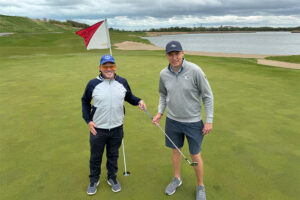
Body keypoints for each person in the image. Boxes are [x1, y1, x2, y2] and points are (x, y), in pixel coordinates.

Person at [152, 41, 214, 200]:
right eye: (171, 54)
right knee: (176, 151)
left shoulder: (195, 70)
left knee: (195, 155)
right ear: (166, 56)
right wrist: (160, 112)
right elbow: (163, 95)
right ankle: (177, 179)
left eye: (177, 54)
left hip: (193, 122)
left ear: (183, 53)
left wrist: (209, 120)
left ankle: (200, 185)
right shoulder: (163, 74)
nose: (174, 57)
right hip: (172, 121)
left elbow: (207, 96)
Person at [82, 55, 146, 195]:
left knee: (113, 155)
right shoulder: (93, 84)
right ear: (100, 68)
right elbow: (85, 101)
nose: (109, 69)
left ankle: (112, 177)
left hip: (117, 127)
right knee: (96, 156)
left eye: (112, 66)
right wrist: (88, 120)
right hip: (98, 129)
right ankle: (94, 179)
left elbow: (129, 97)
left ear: (115, 67)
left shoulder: (122, 82)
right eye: (105, 66)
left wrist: (139, 101)